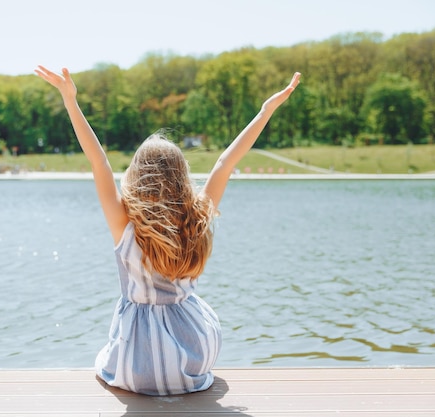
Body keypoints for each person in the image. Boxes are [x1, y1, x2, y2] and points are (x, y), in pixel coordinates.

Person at [35, 65, 301, 396]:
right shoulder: (197, 220)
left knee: (106, 358)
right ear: (181, 177)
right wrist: (265, 111)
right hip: (193, 353)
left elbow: (98, 162)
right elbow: (225, 163)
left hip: (137, 365)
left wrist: (70, 100)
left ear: (137, 176)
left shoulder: (125, 225)